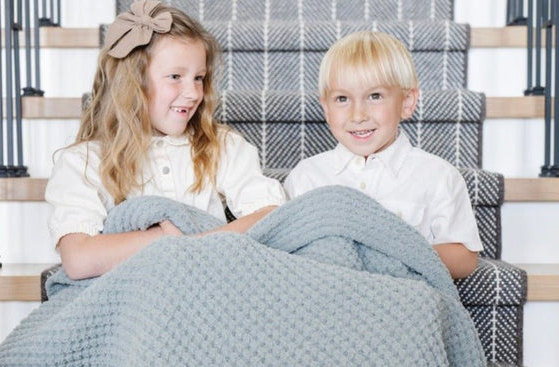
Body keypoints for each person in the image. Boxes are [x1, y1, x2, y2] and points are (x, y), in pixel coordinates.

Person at [45, 0, 286, 280]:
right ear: (133, 82)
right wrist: (163, 238)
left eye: (199, 78)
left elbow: (269, 215)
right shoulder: (83, 162)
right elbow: (79, 259)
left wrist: (191, 246)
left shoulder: (222, 146)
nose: (194, 93)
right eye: (175, 77)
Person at [284, 31, 482, 279]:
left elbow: (464, 258)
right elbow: (284, 254)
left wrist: (388, 258)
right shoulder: (307, 177)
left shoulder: (437, 176)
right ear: (326, 108)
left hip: (405, 303)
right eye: (342, 99)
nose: (358, 115)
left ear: (407, 102)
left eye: (374, 96)